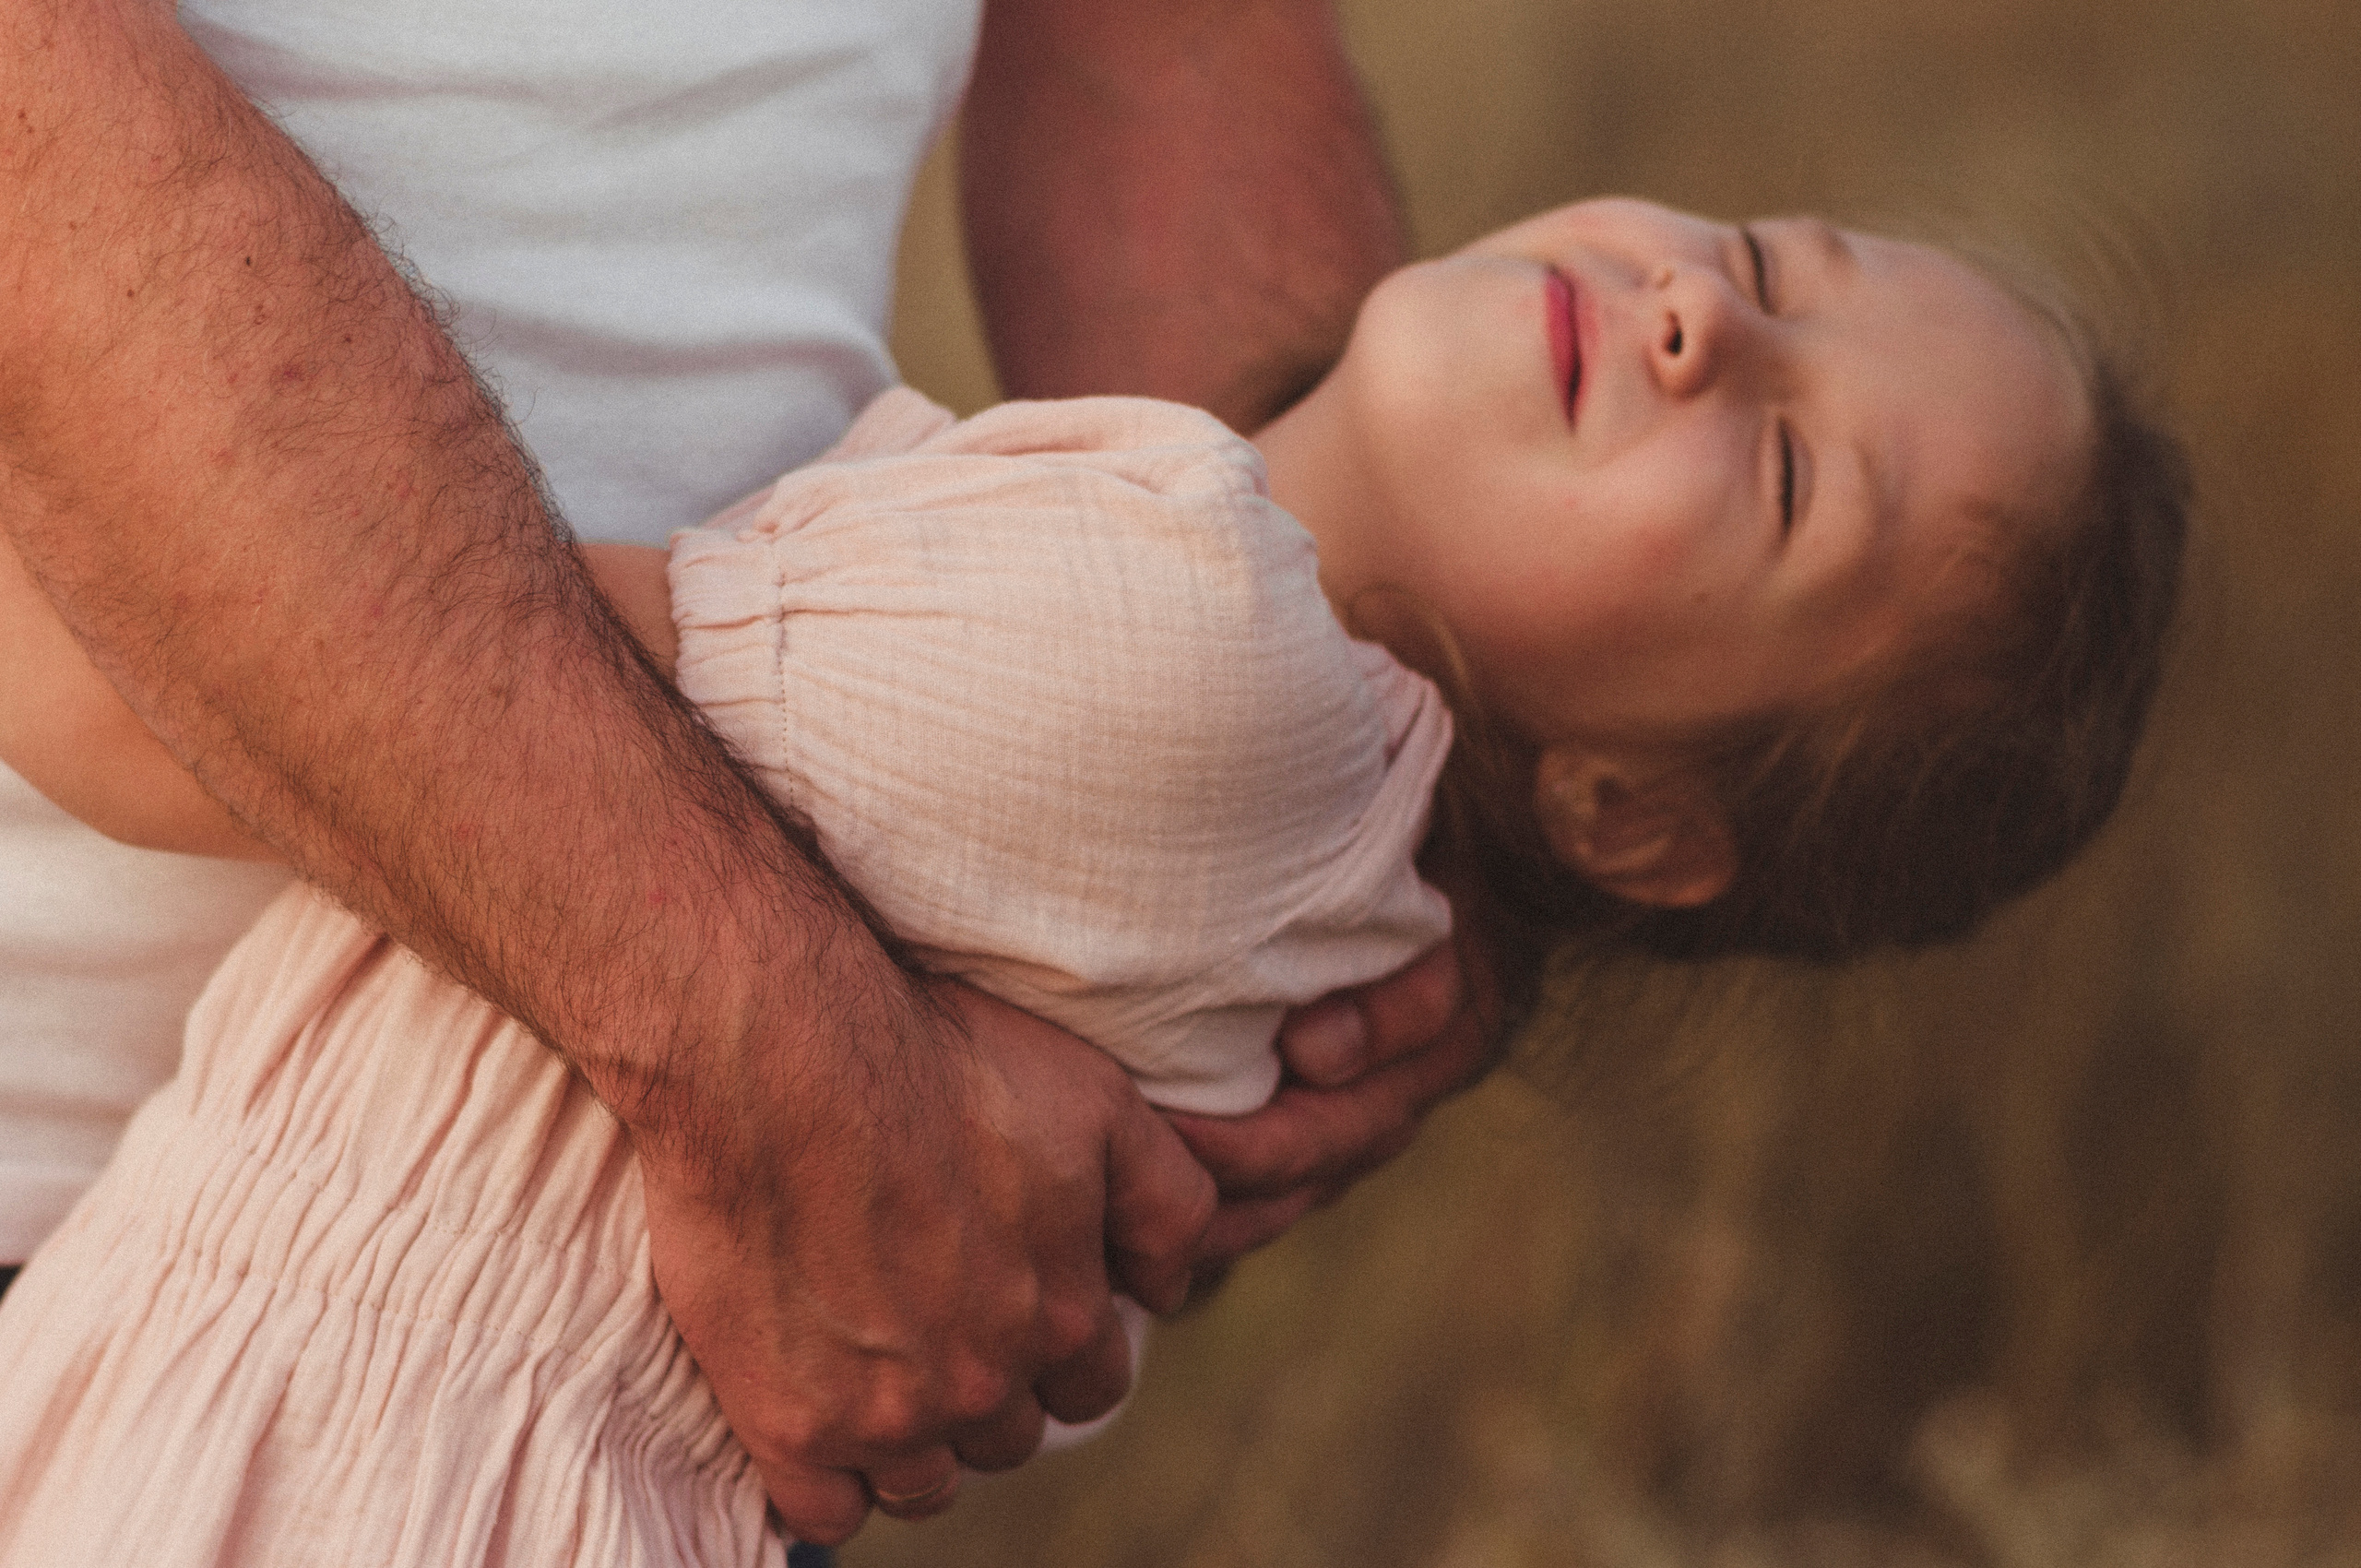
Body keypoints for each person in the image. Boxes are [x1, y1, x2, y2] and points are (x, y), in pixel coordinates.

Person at [0, 196, 2189, 1566]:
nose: (1702, 317)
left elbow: (130, 705)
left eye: (1791, 476)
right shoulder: (1330, 847)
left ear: (1625, 821)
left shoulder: (1160, 642)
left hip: (305, 1472)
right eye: (1772, 248)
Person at [0, 0, 1494, 1544]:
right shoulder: (780, 1068)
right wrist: (757, 1038)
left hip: (640, 1341)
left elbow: (1166, 48)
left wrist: (1342, 871)